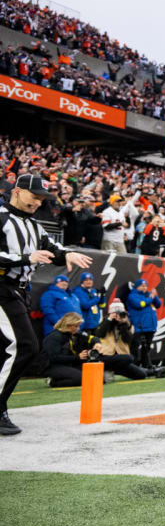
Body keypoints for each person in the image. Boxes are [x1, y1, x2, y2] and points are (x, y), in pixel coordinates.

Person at [0, 174, 94, 433]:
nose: (38, 203)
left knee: (15, 348)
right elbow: (24, 255)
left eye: (42, 199)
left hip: (19, 291)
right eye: (34, 196)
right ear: (17, 191)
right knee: (23, 346)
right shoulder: (2, 217)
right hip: (2, 287)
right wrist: (25, 257)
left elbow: (52, 247)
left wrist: (68, 253)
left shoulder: (34, 225)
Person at [126, 279, 162, 368]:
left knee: (147, 347)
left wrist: (154, 296)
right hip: (139, 326)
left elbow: (158, 304)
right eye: (142, 286)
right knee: (135, 347)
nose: (144, 288)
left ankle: (146, 364)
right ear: (137, 287)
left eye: (146, 286)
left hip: (150, 327)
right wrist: (151, 297)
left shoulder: (148, 295)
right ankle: (133, 365)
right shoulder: (132, 296)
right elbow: (140, 304)